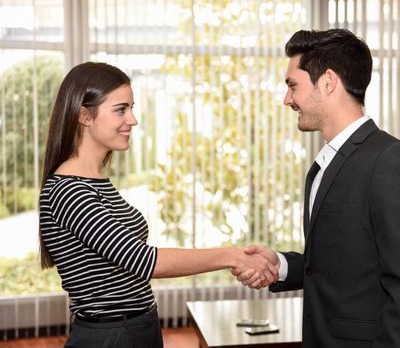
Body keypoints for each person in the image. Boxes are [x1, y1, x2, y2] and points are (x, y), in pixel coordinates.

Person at [38, 61, 278, 348]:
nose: (133, 119)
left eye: (131, 107)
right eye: (121, 109)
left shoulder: (94, 180)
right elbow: (144, 261)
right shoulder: (69, 190)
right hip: (111, 336)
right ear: (84, 116)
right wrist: (233, 256)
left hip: (137, 327)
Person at [234, 29, 400, 347]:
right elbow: (345, 266)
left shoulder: (393, 162)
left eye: (292, 86)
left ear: (328, 82)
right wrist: (282, 265)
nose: (287, 99)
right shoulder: (323, 165)